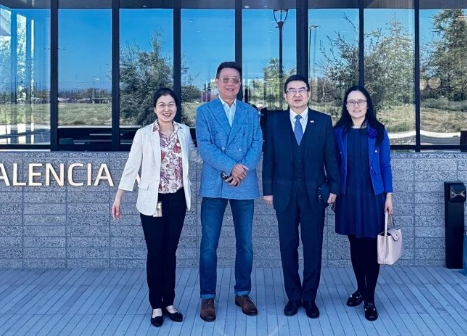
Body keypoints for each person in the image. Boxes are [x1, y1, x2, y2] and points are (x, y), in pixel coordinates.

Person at [112, 88, 193, 327]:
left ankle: (169, 302)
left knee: (171, 252)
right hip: (152, 201)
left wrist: (223, 162)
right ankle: (156, 305)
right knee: (155, 252)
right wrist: (119, 197)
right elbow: (131, 166)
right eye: (161, 104)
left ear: (176, 107)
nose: (167, 109)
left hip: (177, 199)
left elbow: (194, 156)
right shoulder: (145, 134)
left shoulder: (185, 132)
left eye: (171, 104)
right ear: (154, 109)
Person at [262, 75, 340, 319]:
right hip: (283, 195)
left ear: (309, 94)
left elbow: (331, 157)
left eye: (301, 90)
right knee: (288, 247)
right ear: (285, 95)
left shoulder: (323, 121)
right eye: (291, 90)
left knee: (313, 247)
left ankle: (309, 297)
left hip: (314, 195)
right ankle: (293, 297)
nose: (297, 94)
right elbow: (270, 157)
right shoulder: (274, 122)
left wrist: (334, 189)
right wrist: (267, 189)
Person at [196, 61, 263, 322]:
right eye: (226, 79)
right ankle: (207, 298)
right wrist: (230, 167)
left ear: (240, 83)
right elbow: (204, 145)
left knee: (245, 244)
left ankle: (242, 293)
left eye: (235, 79)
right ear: (216, 82)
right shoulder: (204, 111)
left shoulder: (250, 112)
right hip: (215, 184)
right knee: (208, 246)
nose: (231, 83)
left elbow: (257, 142)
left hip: (243, 185)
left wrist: (242, 168)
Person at [333, 85, 394, 322]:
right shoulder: (339, 131)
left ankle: (370, 297)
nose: (356, 105)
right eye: (351, 102)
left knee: (371, 247)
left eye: (360, 101)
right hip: (348, 196)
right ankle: (360, 288)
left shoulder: (378, 131)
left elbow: (386, 164)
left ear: (368, 105)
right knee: (355, 245)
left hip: (373, 196)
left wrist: (389, 196)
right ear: (346, 106)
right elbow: (333, 163)